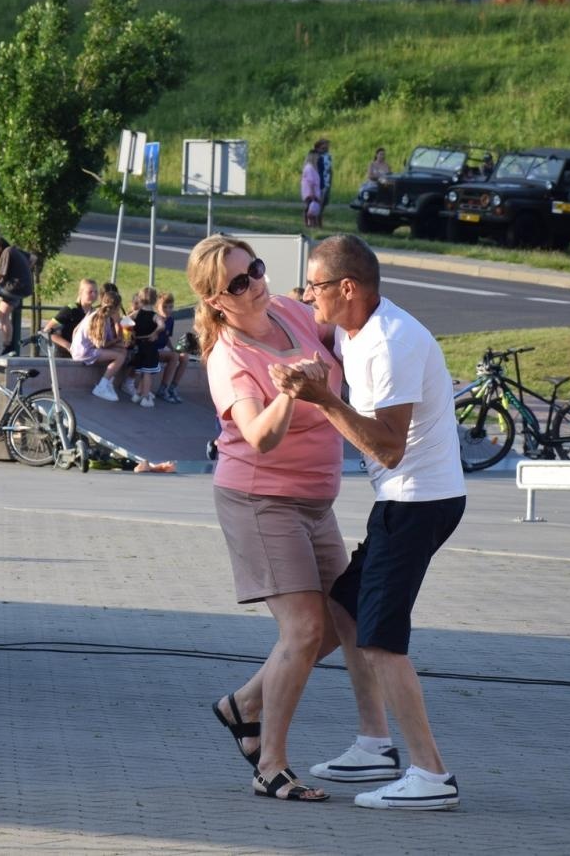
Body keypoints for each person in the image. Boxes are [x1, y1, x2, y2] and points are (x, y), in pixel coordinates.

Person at [271, 233, 466, 811]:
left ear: (347, 288)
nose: (309, 297)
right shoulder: (355, 326)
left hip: (418, 501)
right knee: (347, 603)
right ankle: (374, 744)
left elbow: (388, 449)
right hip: (406, 500)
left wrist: (323, 398)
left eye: (316, 286)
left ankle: (432, 775)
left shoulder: (389, 341)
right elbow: (295, 316)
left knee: (381, 639)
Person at [188, 235, 355, 804]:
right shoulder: (229, 358)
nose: (254, 284)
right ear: (215, 301)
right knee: (305, 629)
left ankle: (244, 703)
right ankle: (271, 765)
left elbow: (339, 331)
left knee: (344, 617)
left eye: (254, 270)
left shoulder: (285, 309)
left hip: (315, 501)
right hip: (260, 500)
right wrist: (292, 392)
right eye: (237, 283)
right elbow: (259, 437)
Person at [71, 283, 129, 402]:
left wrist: (119, 341)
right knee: (119, 357)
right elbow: (100, 344)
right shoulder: (99, 318)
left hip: (87, 348)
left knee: (123, 350)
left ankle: (109, 382)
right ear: (116, 308)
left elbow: (76, 330)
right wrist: (117, 341)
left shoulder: (104, 316)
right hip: (84, 351)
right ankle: (102, 386)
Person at [128, 286, 162, 408]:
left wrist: (131, 332)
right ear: (155, 300)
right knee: (148, 373)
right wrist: (155, 333)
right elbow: (161, 326)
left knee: (144, 371)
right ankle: (146, 396)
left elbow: (124, 321)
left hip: (139, 346)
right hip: (150, 347)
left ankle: (138, 393)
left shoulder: (136, 314)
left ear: (140, 299)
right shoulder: (155, 316)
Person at [153, 290, 188, 403]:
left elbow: (166, 337)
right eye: (165, 307)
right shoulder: (154, 319)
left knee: (184, 355)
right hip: (153, 350)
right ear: (157, 306)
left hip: (163, 349)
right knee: (174, 356)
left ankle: (172, 388)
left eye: (170, 307)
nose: (168, 310)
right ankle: (163, 389)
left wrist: (173, 348)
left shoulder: (171, 320)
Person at [46, 278, 97, 355]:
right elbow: (47, 331)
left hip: (84, 355)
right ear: (81, 293)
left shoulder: (95, 313)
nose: (94, 295)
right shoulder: (70, 309)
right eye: (90, 292)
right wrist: (69, 346)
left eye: (96, 292)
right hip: (65, 356)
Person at [301, 150, 324, 229]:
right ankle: (310, 224)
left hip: (313, 191)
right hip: (310, 192)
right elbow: (310, 182)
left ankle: (312, 224)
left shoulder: (312, 167)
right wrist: (313, 193)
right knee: (310, 208)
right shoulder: (309, 168)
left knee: (312, 207)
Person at [315, 138, 334, 209]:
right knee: (317, 202)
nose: (326, 149)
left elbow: (330, 169)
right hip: (318, 181)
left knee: (323, 203)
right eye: (324, 147)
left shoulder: (328, 156)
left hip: (326, 181)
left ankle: (319, 218)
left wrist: (330, 181)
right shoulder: (315, 155)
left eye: (327, 147)